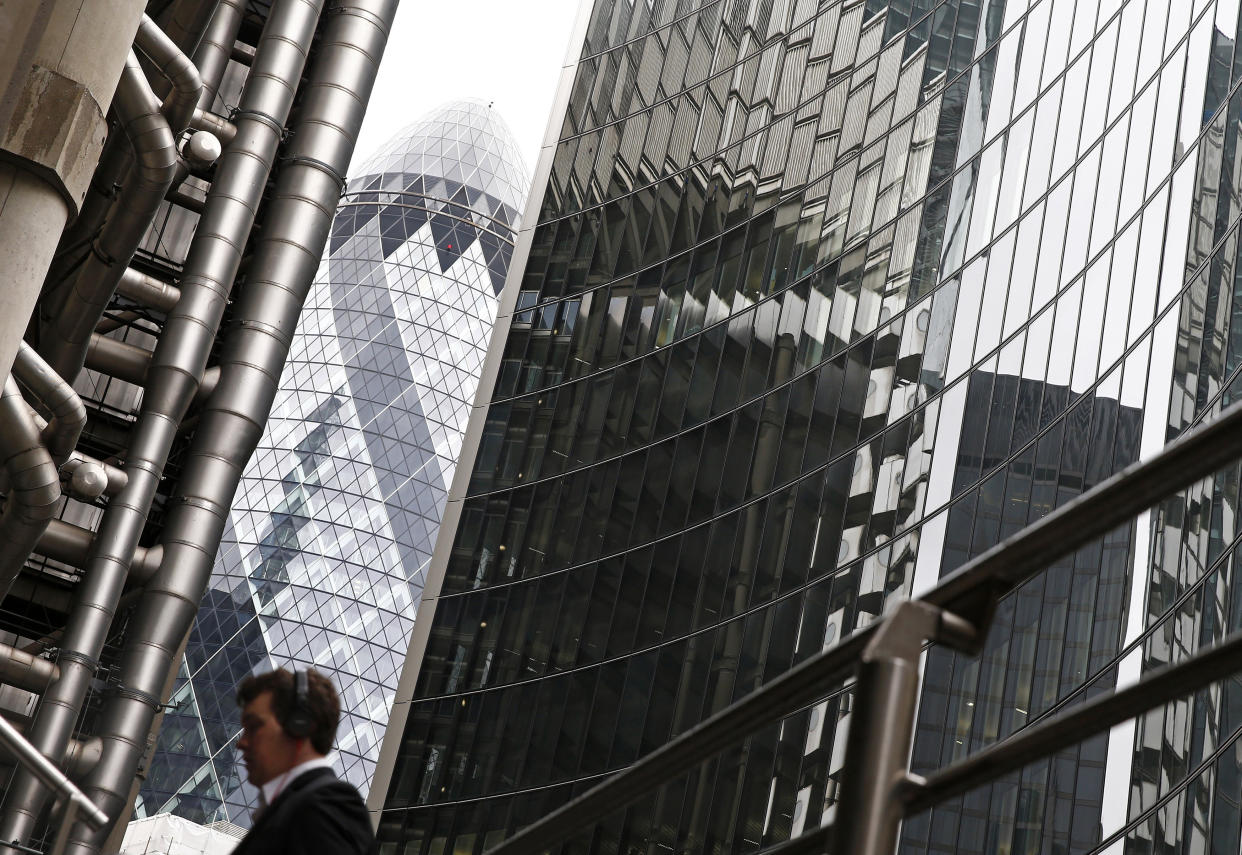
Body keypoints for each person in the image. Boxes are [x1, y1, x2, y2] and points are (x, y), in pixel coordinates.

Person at [230, 667, 376, 855]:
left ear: (299, 725)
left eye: (254, 726)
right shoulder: (294, 807)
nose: (241, 743)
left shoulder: (326, 805)